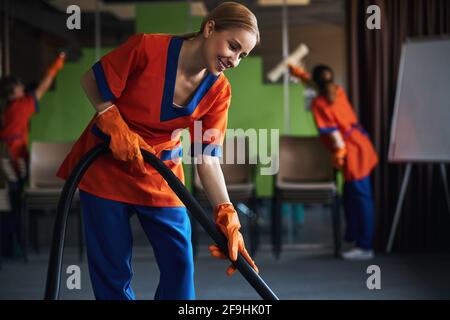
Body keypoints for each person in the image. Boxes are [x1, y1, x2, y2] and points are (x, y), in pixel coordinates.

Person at [57, 2, 260, 300]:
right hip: (105, 167)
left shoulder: (219, 91)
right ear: (210, 27)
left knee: (179, 264)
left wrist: (225, 211)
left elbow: (206, 156)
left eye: (243, 55)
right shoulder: (147, 48)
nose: (235, 60)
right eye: (233, 46)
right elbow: (91, 80)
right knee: (112, 271)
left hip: (161, 174)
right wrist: (112, 120)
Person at [289, 64, 378, 260]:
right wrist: (299, 74)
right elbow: (314, 83)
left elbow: (334, 134)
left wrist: (338, 152)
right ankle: (354, 237)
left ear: (316, 81)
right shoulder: (337, 91)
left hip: (352, 151)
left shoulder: (319, 103)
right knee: (351, 195)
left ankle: (365, 247)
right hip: (360, 144)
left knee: (362, 198)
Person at [0, 53, 65, 257]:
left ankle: (10, 247)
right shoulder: (21, 107)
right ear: (12, 93)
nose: (23, 88)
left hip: (4, 157)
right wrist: (57, 63)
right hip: (13, 160)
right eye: (19, 87)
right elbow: (43, 87)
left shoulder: (6, 110)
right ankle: (13, 248)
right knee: (14, 205)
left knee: (6, 204)